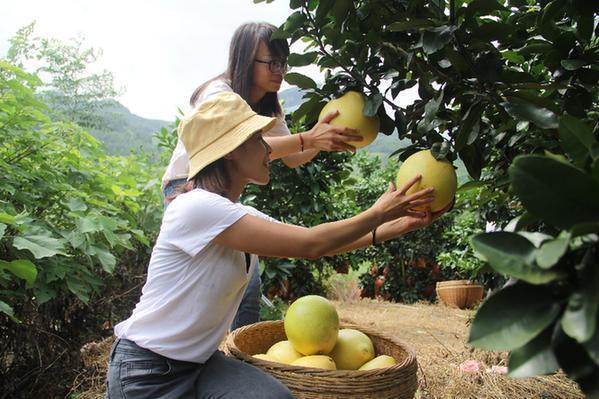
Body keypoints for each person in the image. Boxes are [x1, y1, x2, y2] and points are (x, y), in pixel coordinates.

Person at [107, 92, 448, 398]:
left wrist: (396, 224)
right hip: (147, 371)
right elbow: (312, 244)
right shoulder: (196, 207)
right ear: (231, 152)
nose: (269, 147)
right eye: (258, 139)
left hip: (200, 364)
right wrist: (377, 213)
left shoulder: (236, 214)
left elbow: (320, 242)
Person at [162, 22, 362, 330]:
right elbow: (237, 145)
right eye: (271, 63)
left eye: (283, 63)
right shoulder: (219, 94)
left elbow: (293, 157)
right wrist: (309, 138)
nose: (279, 71)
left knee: (243, 280)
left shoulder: (268, 106)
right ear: (244, 59)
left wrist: (324, 139)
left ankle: (236, 352)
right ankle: (221, 350)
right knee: (225, 282)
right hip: (187, 189)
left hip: (223, 196)